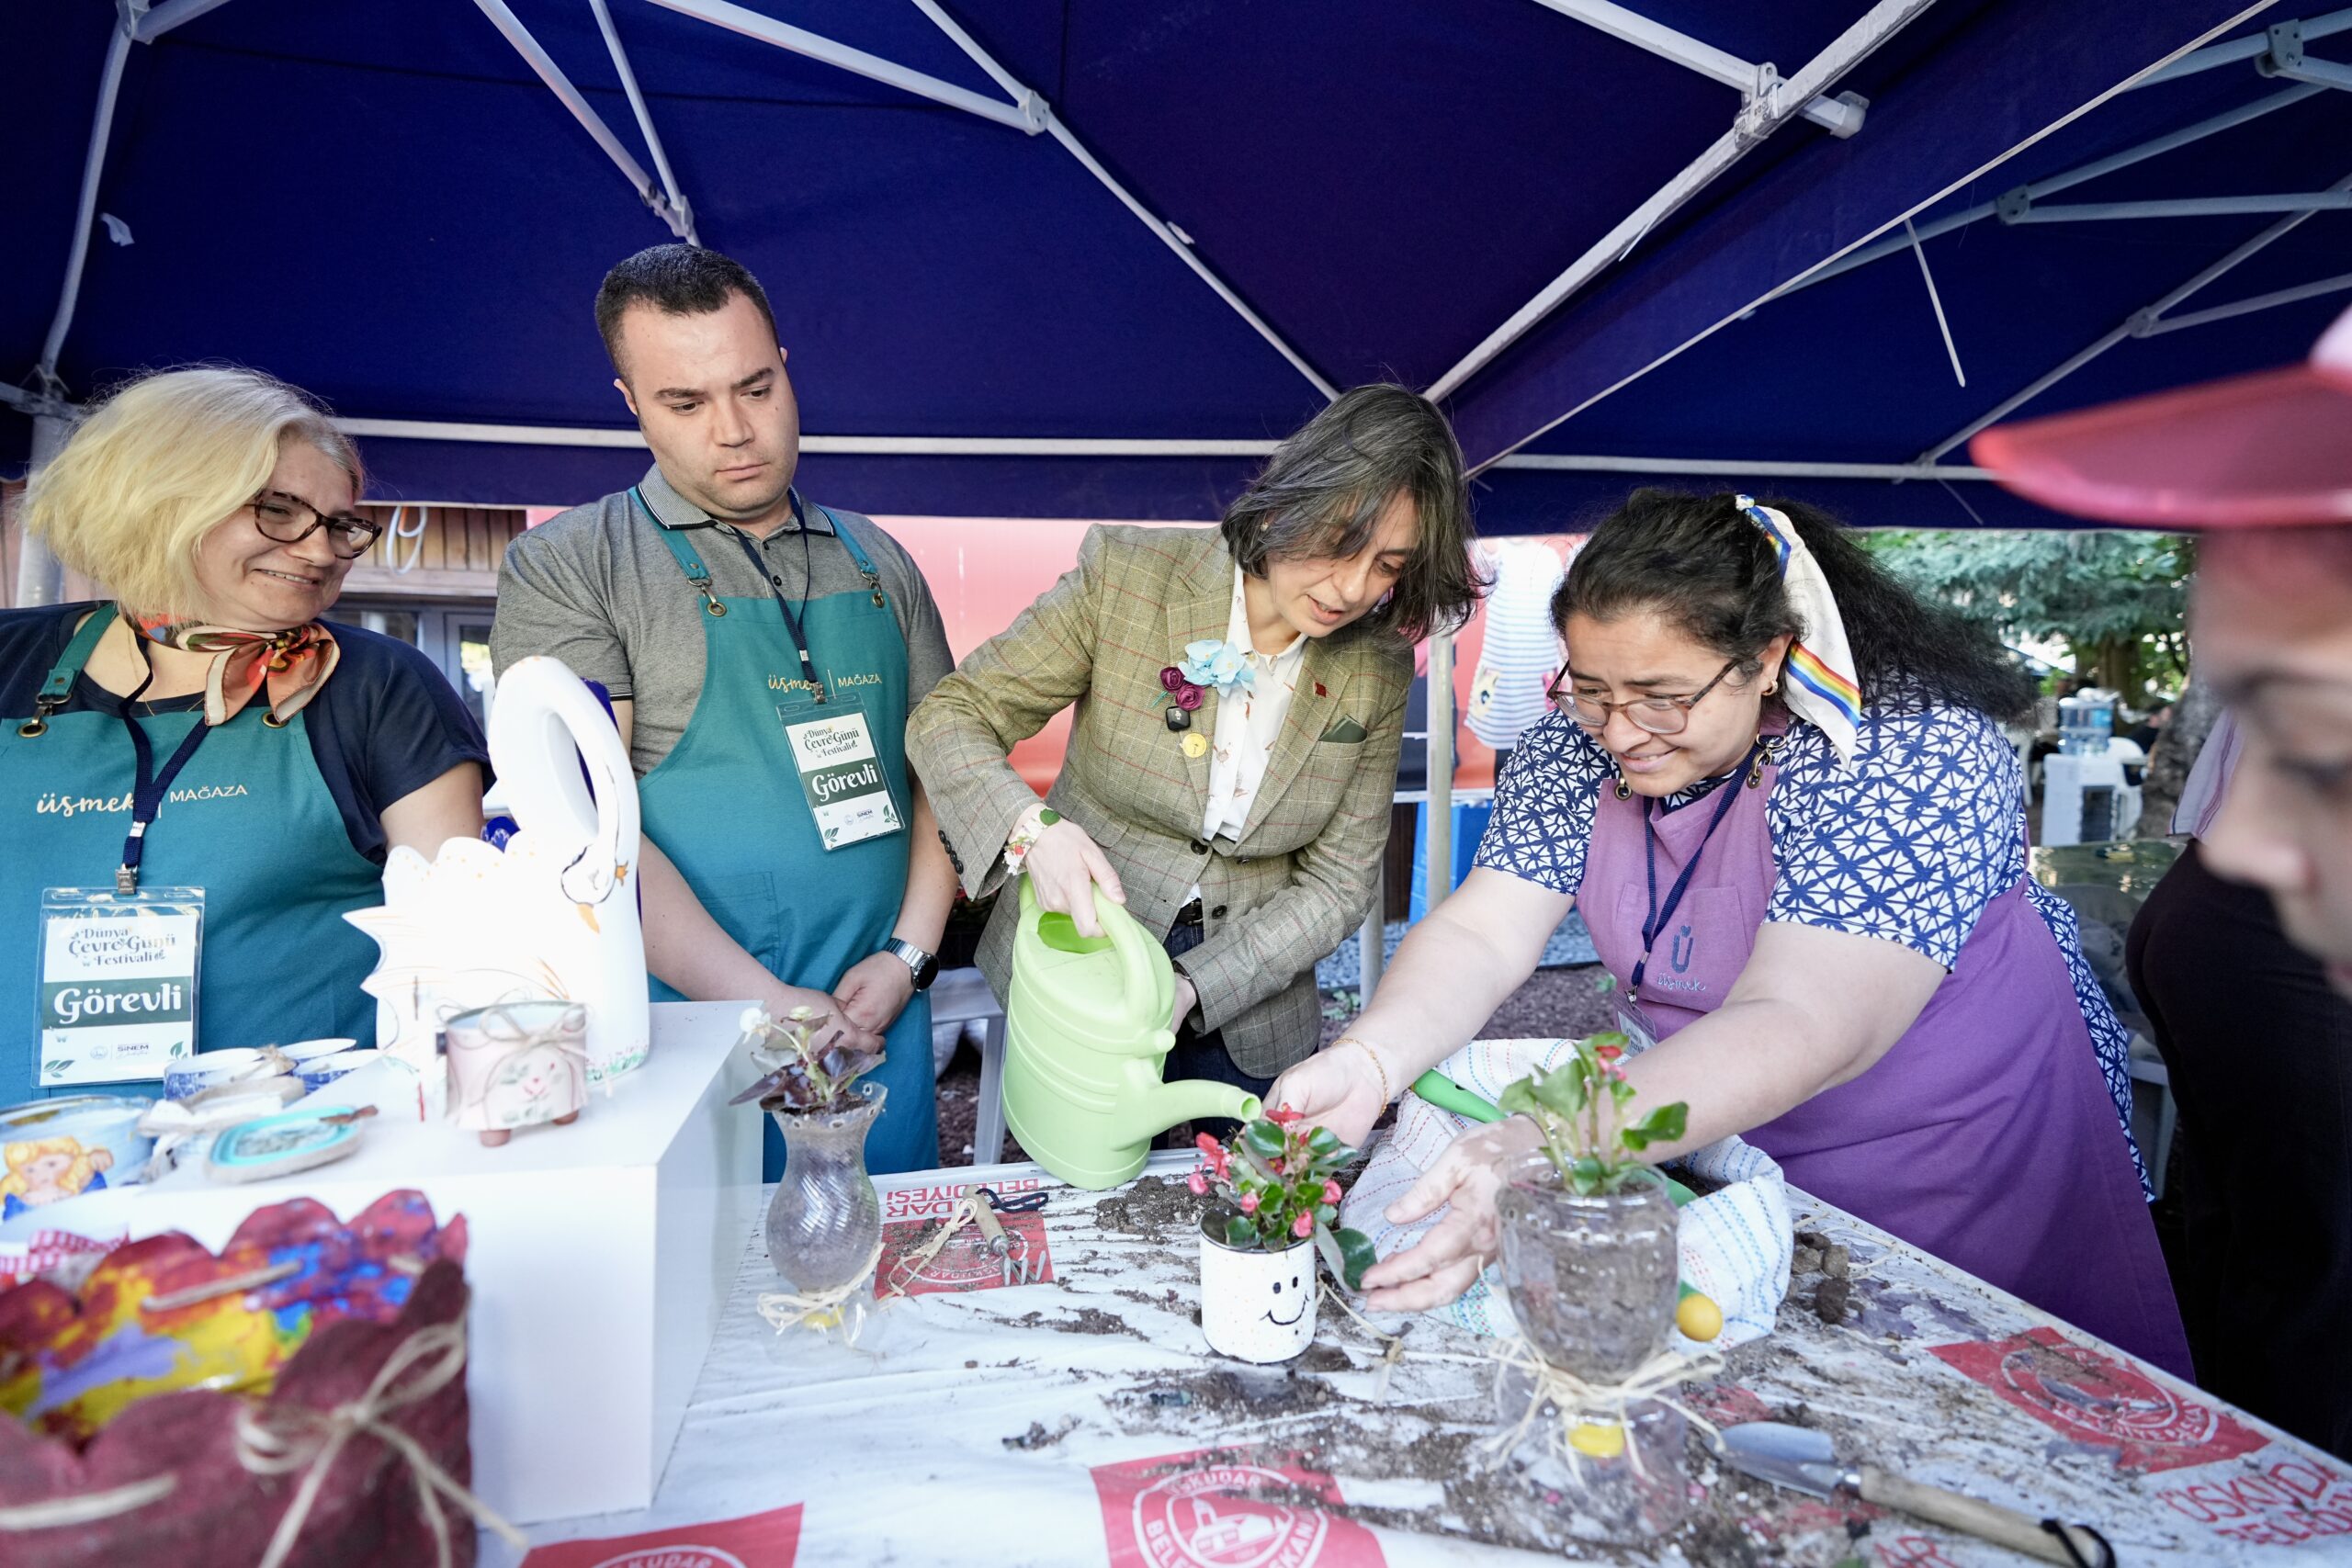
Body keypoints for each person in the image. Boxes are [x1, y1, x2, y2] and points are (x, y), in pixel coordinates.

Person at [1275, 488, 2189, 1377]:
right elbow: (1484, 932)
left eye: (1661, 696)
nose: (1620, 731)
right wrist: (1370, 1060)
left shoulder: (1908, 752)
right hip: (1716, 1140)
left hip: (1953, 1167)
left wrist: (1551, 1138)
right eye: (1591, 689)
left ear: (1768, 657)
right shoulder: (1574, 745)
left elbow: (1803, 1017)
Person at [1973, 300, 2352, 1457]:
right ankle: (2257, 1499)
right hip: (2255, 943)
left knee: (2260, 1243)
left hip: (2228, 933)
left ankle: (2219, 1474)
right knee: (2306, 1271)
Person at [490, 244, 956, 1176]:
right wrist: (764, 1001)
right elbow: (585, 829)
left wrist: (908, 955)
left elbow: (947, 773)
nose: (735, 430)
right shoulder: (571, 564)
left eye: (755, 388)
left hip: (874, 1018)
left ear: (786, 366)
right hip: (686, 1034)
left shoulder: (879, 560)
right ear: (630, 402)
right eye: (686, 403)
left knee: (885, 1248)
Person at [908, 386, 1483, 1099]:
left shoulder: (1377, 665)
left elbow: (1339, 884)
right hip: (1081, 956)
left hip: (1256, 998)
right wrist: (1034, 833)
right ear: (1280, 503)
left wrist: (1192, 985)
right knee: (1086, 1164)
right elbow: (951, 716)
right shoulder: (1128, 576)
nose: (1353, 587)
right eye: (1341, 542)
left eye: (1389, 565)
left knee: (1257, 1172)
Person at [1, 368, 487, 1094]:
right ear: (159, 499)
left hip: (302, 1136)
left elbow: (459, 952)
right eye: (278, 511)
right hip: (37, 1150)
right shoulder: (11, 659)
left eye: (340, 525)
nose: (320, 552)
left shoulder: (377, 685)